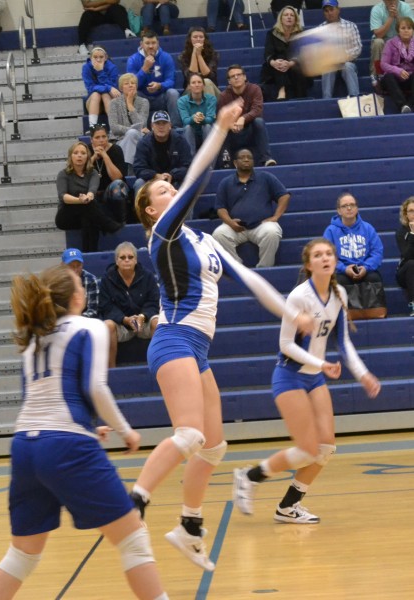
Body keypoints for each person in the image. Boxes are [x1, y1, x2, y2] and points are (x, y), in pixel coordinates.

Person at [132, 101, 313, 572]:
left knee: (213, 446)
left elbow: (250, 280)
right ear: (151, 210)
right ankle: (134, 504)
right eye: (162, 190)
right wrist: (220, 128)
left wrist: (291, 312)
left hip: (198, 349)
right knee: (190, 434)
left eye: (170, 186)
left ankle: (189, 526)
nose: (171, 189)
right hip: (174, 339)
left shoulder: (204, 240)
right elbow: (197, 178)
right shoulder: (162, 234)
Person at [0, 264, 167, 600]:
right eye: (80, 285)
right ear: (75, 297)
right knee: (133, 540)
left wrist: (86, 426)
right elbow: (95, 387)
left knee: (22, 555)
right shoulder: (91, 327)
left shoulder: (34, 337)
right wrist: (125, 431)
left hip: (26, 445)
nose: (84, 289)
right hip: (65, 444)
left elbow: (39, 397)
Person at [232, 237, 381, 523]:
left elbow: (343, 342)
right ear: (309, 264)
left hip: (315, 379)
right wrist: (321, 363)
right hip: (290, 377)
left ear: (335, 260)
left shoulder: (339, 294)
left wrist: (363, 374)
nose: (325, 258)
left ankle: (288, 507)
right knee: (307, 449)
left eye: (329, 254)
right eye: (318, 255)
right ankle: (249, 476)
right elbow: (286, 345)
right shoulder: (299, 296)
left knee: (325, 449)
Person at [212, 148, 289, 267]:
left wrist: (276, 217)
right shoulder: (226, 182)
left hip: (261, 225)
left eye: (249, 157)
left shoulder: (266, 177)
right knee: (218, 234)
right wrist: (230, 222)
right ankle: (237, 268)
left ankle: (265, 269)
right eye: (242, 157)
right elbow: (220, 208)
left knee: (272, 232)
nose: (246, 160)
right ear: (235, 163)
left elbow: (284, 196)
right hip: (236, 227)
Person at [322, 193, 386, 318]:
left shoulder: (368, 228)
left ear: (357, 208)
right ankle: (342, 316)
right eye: (345, 206)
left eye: (352, 205)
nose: (349, 208)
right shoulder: (330, 231)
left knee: (374, 277)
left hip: (364, 269)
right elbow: (328, 256)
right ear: (339, 211)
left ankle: (375, 313)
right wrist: (344, 268)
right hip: (342, 271)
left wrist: (366, 267)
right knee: (339, 280)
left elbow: (377, 252)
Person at [99, 242, 160, 368]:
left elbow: (154, 302)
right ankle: (111, 371)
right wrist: (125, 319)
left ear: (136, 260)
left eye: (130, 257)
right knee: (107, 325)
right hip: (121, 324)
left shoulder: (148, 276)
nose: (126, 260)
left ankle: (159, 367)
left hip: (144, 321)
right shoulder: (107, 279)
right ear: (116, 261)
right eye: (122, 257)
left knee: (158, 322)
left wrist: (142, 316)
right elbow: (106, 306)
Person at [55, 141, 122, 253]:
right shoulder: (63, 174)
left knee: (89, 219)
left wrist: (87, 197)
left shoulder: (93, 173)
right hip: (66, 216)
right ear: (70, 156)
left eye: (83, 153)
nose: (79, 156)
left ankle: (89, 254)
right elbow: (63, 196)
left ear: (88, 157)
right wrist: (79, 200)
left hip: (86, 211)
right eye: (76, 153)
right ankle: (107, 224)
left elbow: (92, 190)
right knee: (88, 207)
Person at [217, 64, 277, 168]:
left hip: (250, 131)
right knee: (222, 128)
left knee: (259, 121)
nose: (236, 77)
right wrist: (230, 125)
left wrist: (243, 118)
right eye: (233, 76)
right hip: (233, 133)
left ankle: (266, 159)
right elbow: (220, 117)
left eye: (239, 75)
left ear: (244, 77)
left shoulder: (254, 89)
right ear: (229, 81)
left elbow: (257, 110)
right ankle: (225, 163)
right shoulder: (224, 96)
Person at [126, 30, 181, 128]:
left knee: (173, 93)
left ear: (158, 43)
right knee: (133, 93)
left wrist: (160, 85)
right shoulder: (133, 60)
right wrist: (144, 68)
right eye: (147, 43)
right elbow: (132, 85)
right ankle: (139, 128)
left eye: (153, 43)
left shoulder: (166, 57)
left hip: (161, 97)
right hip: (143, 97)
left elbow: (171, 81)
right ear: (141, 44)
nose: (151, 46)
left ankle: (176, 128)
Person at [132, 110, 192, 198]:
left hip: (175, 180)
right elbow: (139, 168)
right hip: (151, 181)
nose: (161, 127)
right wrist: (155, 176)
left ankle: (183, 208)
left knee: (188, 182)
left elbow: (188, 166)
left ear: (170, 125)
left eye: (164, 123)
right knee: (139, 183)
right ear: (152, 126)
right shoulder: (144, 143)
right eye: (157, 123)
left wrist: (172, 175)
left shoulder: (180, 141)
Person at [260, 5, 310, 102]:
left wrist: (291, 63)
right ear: (281, 19)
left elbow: (302, 53)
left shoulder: (300, 33)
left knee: (295, 66)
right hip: (275, 67)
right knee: (280, 59)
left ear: (295, 19)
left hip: (295, 65)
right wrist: (274, 63)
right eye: (286, 15)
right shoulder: (272, 33)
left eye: (292, 15)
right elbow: (268, 53)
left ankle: (300, 96)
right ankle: (281, 90)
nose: (289, 17)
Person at [320, 0, 362, 99]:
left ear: (338, 10)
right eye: (326, 11)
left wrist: (342, 57)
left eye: (331, 9)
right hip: (329, 63)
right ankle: (326, 101)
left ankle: (355, 100)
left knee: (347, 67)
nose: (329, 13)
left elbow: (357, 48)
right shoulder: (320, 29)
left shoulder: (350, 26)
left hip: (347, 62)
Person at [108, 73, 150, 172]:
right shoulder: (114, 103)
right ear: (121, 88)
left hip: (139, 139)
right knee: (132, 133)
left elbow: (142, 124)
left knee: (133, 134)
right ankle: (132, 171)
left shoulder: (144, 102)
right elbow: (114, 127)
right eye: (126, 83)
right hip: (119, 141)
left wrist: (130, 105)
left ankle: (128, 171)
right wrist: (133, 130)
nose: (130, 85)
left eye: (133, 83)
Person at [89, 124, 129, 224]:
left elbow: (117, 178)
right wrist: (93, 158)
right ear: (91, 140)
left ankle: (122, 223)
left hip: (111, 191)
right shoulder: (86, 150)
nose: (101, 140)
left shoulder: (116, 150)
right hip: (92, 191)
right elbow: (81, 174)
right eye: (97, 137)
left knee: (118, 185)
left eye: (104, 137)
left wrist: (105, 156)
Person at [370, 0, 414, 88]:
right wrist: (390, 17)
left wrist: (397, 17)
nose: (390, 1)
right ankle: (377, 75)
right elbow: (378, 34)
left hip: (403, 40)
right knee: (377, 42)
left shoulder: (405, 7)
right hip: (385, 40)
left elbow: (411, 29)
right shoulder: (376, 9)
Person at [177, 73, 217, 156]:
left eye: (199, 82)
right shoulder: (181, 101)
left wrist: (202, 119)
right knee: (188, 127)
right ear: (189, 86)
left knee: (207, 126)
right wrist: (193, 118)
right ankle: (190, 160)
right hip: (191, 133)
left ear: (203, 85)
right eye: (193, 82)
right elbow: (185, 120)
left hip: (206, 132)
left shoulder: (211, 99)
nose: (197, 85)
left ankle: (209, 160)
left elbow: (211, 118)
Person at [380, 17, 414, 113]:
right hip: (394, 80)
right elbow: (383, 64)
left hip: (410, 80)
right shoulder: (390, 43)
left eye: (409, 28)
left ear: (413, 30)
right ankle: (402, 105)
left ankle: (409, 105)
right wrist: (398, 71)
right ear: (398, 30)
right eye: (403, 28)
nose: (406, 30)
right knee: (388, 76)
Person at [82, 46, 120, 130]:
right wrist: (108, 88)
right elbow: (90, 88)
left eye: (101, 57)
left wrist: (100, 72)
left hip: (110, 100)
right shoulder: (86, 67)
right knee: (96, 94)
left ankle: (114, 128)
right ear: (91, 58)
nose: (98, 60)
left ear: (106, 57)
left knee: (105, 94)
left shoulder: (112, 67)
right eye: (95, 57)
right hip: (93, 102)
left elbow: (114, 88)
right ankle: (93, 128)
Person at [178, 26, 220, 97]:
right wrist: (194, 53)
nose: (198, 39)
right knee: (194, 84)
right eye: (195, 37)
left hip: (211, 88)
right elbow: (192, 75)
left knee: (206, 82)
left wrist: (199, 55)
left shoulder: (213, 54)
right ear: (190, 39)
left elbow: (207, 75)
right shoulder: (183, 56)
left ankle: (209, 104)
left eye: (201, 37)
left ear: (205, 39)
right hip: (190, 89)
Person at [61, 247, 99, 318]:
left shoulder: (91, 280)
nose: (75, 270)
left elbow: (93, 310)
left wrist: (77, 320)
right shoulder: (58, 281)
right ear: (62, 265)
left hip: (85, 320)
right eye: (71, 266)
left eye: (78, 265)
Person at [395, 196, 414, 316]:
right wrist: (412, 234)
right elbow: (407, 255)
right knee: (412, 264)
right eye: (411, 211)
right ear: (406, 214)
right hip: (406, 271)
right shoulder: (401, 232)